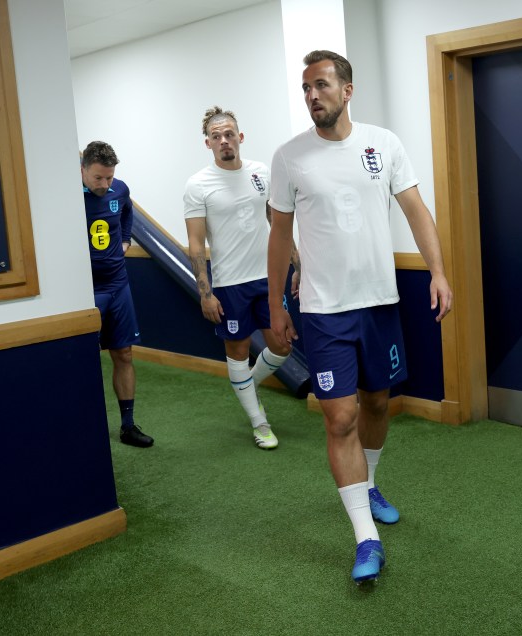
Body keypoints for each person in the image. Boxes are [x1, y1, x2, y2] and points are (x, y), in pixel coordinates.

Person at [267, 51, 453, 583]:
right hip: (324, 311)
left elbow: (416, 210)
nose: (312, 96)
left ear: (347, 91)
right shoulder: (288, 157)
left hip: (379, 303)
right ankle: (364, 539)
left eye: (321, 85)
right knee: (340, 416)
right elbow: (280, 233)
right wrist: (277, 303)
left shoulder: (384, 143)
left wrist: (438, 273)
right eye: (305, 88)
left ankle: (368, 483)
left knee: (376, 402)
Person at [184, 107, 296, 449]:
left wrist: (297, 264)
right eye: (216, 136)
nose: (224, 140)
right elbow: (195, 243)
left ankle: (246, 385)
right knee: (238, 351)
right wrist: (205, 293)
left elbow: (278, 224)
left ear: (240, 137)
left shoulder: (261, 173)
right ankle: (259, 421)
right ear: (208, 143)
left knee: (283, 345)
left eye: (229, 133)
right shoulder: (197, 185)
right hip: (230, 285)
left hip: (269, 277)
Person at [81, 141, 154, 448]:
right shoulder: (66, 196)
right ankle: (87, 426)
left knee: (124, 353)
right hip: (85, 289)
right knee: (84, 359)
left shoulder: (119, 189)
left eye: (109, 177)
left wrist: (124, 240)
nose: (105, 184)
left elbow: (127, 212)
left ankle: (127, 425)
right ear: (83, 170)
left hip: (118, 284)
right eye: (98, 177)